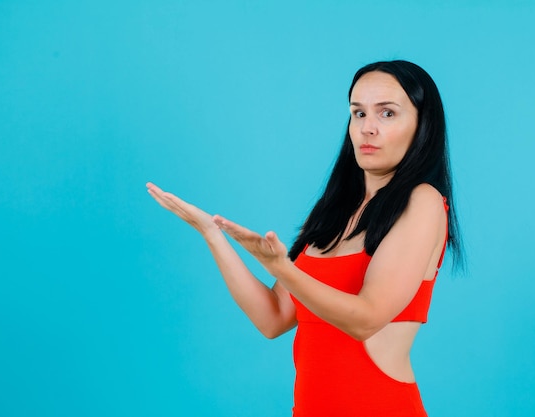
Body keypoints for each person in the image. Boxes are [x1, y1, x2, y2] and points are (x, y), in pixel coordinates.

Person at [147, 60, 463, 417]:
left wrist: (283, 268)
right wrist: (212, 235)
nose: (367, 128)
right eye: (358, 114)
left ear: (423, 126)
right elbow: (274, 318)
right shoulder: (332, 212)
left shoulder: (422, 201)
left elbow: (366, 319)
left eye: (387, 114)